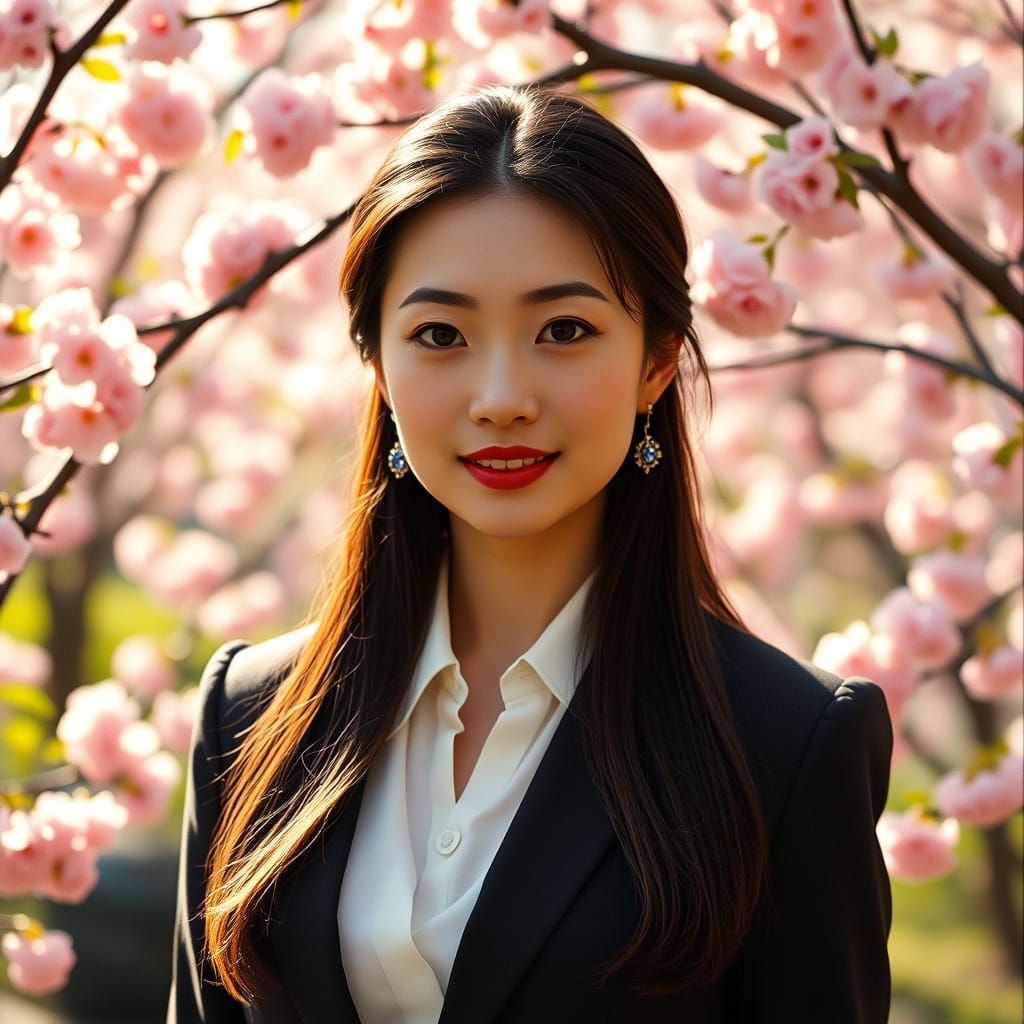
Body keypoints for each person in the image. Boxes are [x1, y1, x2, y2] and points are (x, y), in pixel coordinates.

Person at [167, 83, 893, 1024]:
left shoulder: (786, 746)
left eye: (564, 330)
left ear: (658, 359)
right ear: (379, 367)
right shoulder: (251, 714)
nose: (500, 395)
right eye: (440, 335)